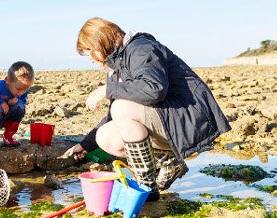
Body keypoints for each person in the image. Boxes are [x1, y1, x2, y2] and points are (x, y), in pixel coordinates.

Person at [63, 17, 231, 201]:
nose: (91, 59)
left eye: (90, 52)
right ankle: (168, 162)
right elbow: (113, 117)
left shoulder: (141, 49)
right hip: (167, 121)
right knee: (106, 137)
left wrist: (107, 90)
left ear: (100, 42)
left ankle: (146, 187)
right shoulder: (117, 67)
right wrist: (85, 145)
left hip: (190, 118)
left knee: (121, 107)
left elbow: (154, 89)